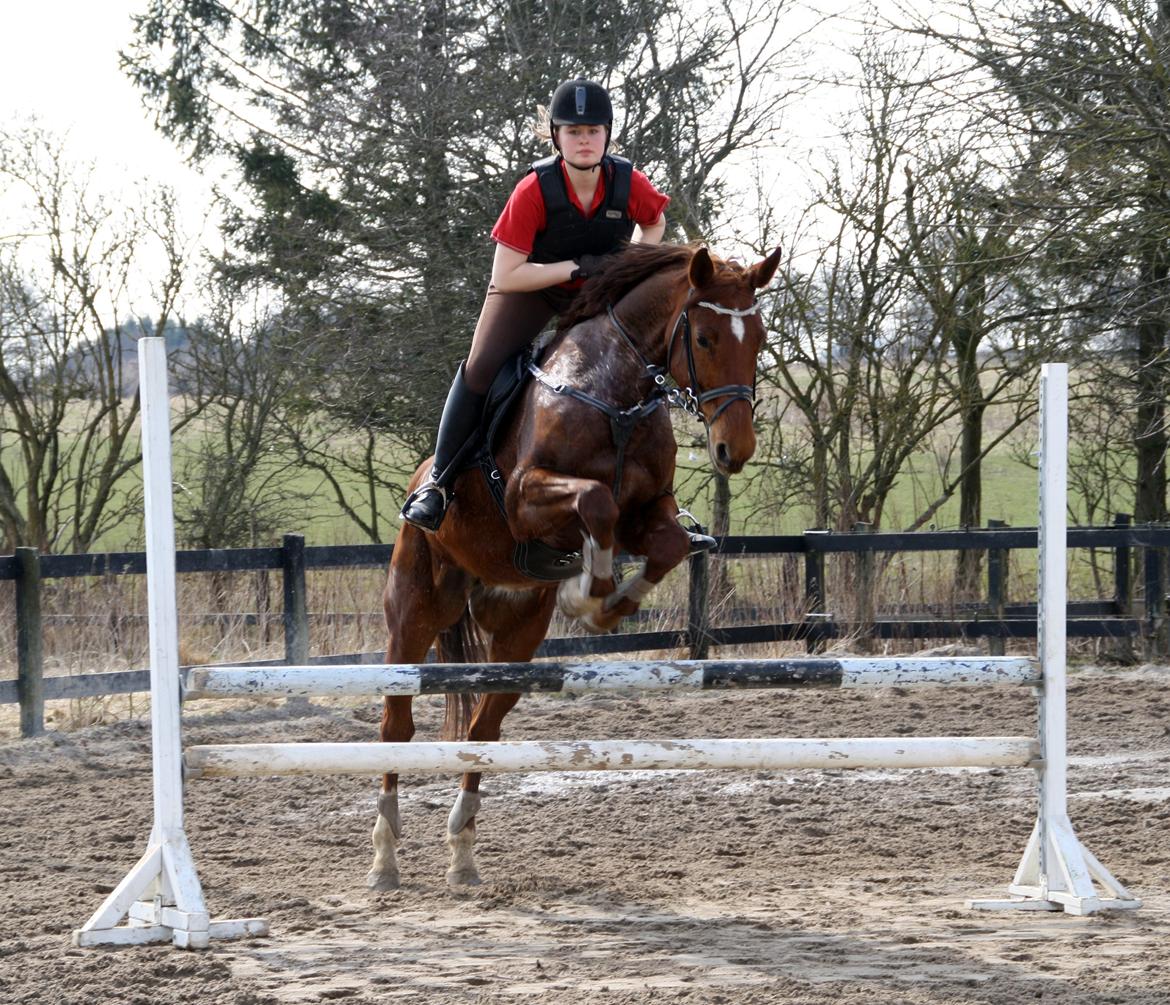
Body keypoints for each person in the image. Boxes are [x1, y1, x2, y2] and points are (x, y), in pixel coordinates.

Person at [400, 78, 670, 531]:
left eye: (593, 131)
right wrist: (575, 268)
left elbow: (655, 223)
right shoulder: (534, 190)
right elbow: (506, 275)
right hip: (530, 290)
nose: (584, 140)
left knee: (643, 363)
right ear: (556, 137)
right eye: (573, 131)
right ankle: (439, 483)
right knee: (480, 368)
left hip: (595, 292)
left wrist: (629, 265)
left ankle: (661, 500)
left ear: (607, 134)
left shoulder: (628, 182)